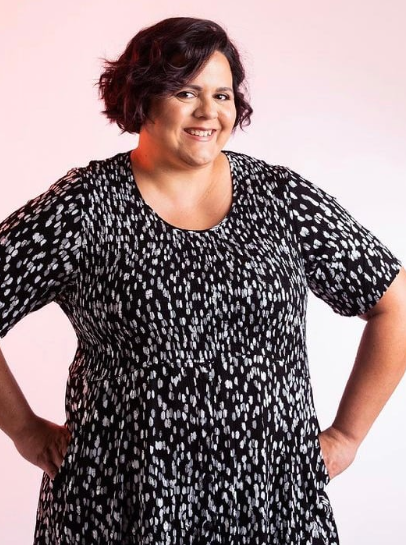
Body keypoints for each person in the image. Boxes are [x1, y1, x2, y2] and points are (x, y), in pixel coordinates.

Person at [0, 15, 405, 545]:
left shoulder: (279, 197)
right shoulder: (85, 207)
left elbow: (393, 302)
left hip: (271, 501)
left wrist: (348, 435)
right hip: (126, 501)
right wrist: (25, 431)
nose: (209, 112)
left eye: (222, 95)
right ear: (143, 98)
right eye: (185, 92)